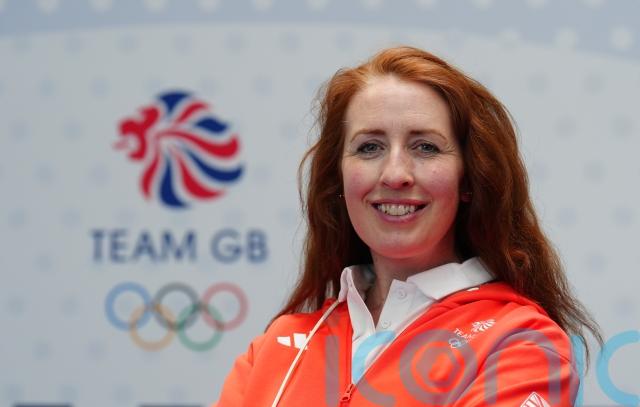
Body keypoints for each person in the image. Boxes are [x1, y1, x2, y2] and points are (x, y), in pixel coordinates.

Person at [214, 46, 601, 406]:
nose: (395, 174)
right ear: (339, 181)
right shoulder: (274, 349)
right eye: (369, 147)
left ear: (469, 180)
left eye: (425, 147)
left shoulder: (519, 342)